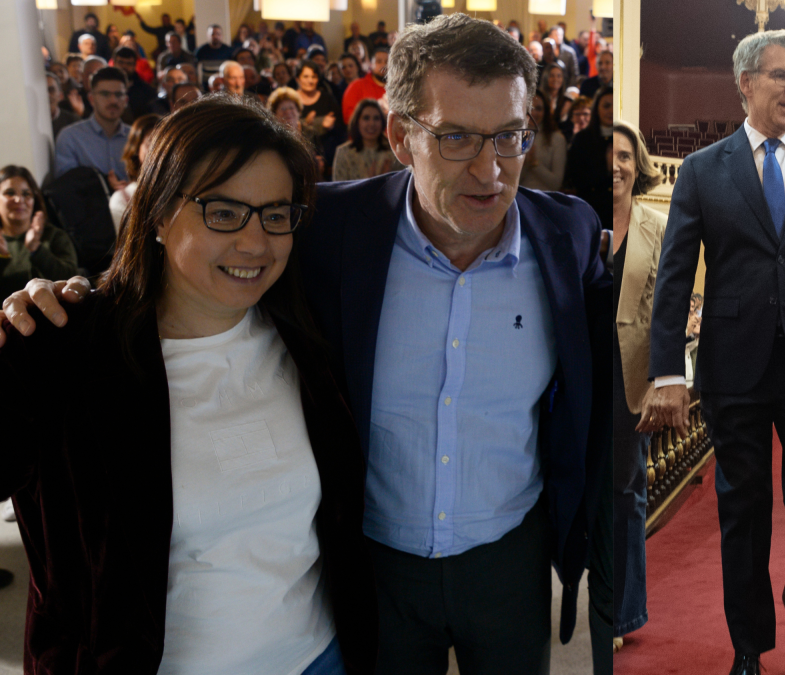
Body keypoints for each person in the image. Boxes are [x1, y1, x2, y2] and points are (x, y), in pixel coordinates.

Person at [5, 15, 609, 673]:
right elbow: (184, 270)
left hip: (502, 561)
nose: (490, 168)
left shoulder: (567, 236)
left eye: (511, 136)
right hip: (371, 567)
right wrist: (69, 298)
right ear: (401, 136)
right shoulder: (333, 235)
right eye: (458, 136)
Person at [0, 97, 377, 674]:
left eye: (276, 214)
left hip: (317, 657)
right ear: (154, 213)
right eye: (223, 212)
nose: (255, 243)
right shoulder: (64, 347)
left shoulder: (306, 336)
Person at [641, 30, 785, 675]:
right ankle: (750, 643)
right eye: (781, 76)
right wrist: (666, 372)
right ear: (745, 83)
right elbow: (676, 277)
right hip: (732, 366)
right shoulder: (703, 169)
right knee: (742, 513)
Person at [611, 120, 665, 658]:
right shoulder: (577, 216)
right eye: (608, 154)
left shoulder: (657, 225)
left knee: (625, 495)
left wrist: (661, 381)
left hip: (631, 380)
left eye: (625, 155)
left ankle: (623, 610)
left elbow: (665, 311)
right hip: (577, 373)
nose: (616, 165)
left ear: (638, 163)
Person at [0, 166, 77, 299]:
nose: (19, 200)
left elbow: (71, 281)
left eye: (26, 194)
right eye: (10, 193)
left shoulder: (54, 236)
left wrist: (37, 250)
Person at [55, 67, 132, 192]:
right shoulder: (70, 138)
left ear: (126, 100)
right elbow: (66, 188)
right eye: (105, 94)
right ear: (91, 99)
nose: (113, 100)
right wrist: (105, 187)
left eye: (118, 94)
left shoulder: (137, 138)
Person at [564, 86, 613, 223]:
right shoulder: (582, 139)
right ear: (597, 109)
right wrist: (606, 169)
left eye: (615, 105)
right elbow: (578, 179)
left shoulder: (626, 139)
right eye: (606, 106)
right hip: (590, 212)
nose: (611, 111)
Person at [109, 113, 161, 234]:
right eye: (150, 143)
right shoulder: (123, 200)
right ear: (136, 150)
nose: (159, 150)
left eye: (164, 142)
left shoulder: (185, 191)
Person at [332, 99, 404, 181]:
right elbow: (339, 190)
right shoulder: (344, 153)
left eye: (376, 118)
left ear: (383, 122)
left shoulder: (394, 152)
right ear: (357, 121)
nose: (372, 124)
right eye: (366, 118)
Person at [519, 91, 567, 191]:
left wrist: (535, 164)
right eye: (529, 107)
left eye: (539, 108)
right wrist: (525, 164)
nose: (533, 112)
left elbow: (556, 183)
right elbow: (511, 182)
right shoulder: (516, 136)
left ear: (545, 111)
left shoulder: (557, 139)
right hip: (520, 198)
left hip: (546, 200)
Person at [341, 47, 388, 124]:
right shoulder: (356, 86)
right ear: (371, 64)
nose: (383, 65)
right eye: (379, 61)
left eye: (387, 61)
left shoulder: (400, 88)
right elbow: (348, 117)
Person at [112, 46, 157, 122]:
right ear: (114, 63)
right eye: (121, 62)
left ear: (134, 66)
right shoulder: (105, 87)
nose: (124, 66)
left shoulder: (146, 91)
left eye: (129, 63)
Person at [539, 62, 572, 134]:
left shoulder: (567, 101)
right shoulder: (539, 99)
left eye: (559, 76)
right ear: (546, 77)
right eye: (552, 76)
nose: (555, 79)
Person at [47, 72, 80, 141]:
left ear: (61, 96)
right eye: (43, 91)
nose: (47, 95)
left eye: (51, 90)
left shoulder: (73, 122)